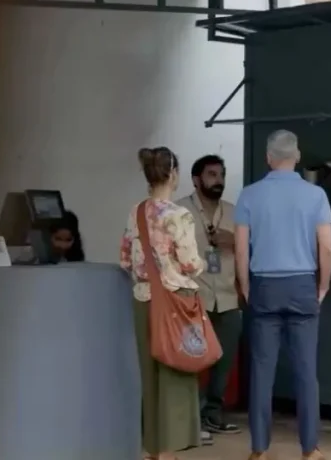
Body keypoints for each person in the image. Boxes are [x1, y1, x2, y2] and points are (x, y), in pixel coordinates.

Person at [234, 130, 331, 460]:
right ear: (298, 156)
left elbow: (240, 249)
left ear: (268, 158)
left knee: (262, 373)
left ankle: (259, 450)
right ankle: (310, 449)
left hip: (264, 286)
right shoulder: (316, 195)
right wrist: (323, 285)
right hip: (303, 285)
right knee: (306, 373)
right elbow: (326, 246)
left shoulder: (249, 195)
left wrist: (245, 286)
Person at [119, 147, 213, 460]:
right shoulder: (179, 215)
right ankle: (169, 452)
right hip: (176, 302)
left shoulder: (135, 212)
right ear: (173, 174)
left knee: (149, 376)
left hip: (143, 301)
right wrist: (202, 264)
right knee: (177, 374)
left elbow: (125, 259)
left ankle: (152, 448)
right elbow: (190, 264)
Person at [175, 154, 242, 435]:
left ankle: (212, 414)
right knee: (190, 361)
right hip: (193, 297)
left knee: (223, 361)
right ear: (196, 179)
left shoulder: (234, 212)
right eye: (212, 175)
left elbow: (252, 250)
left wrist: (236, 242)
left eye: (221, 175)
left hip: (227, 298)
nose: (219, 181)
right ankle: (188, 419)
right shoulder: (180, 212)